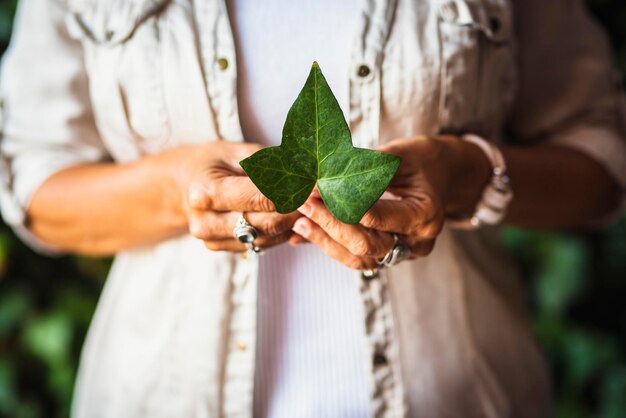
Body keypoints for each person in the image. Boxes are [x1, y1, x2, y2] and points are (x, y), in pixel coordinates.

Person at [1, 0, 625, 416]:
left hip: (458, 395)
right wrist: (174, 189)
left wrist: (463, 173)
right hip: (156, 394)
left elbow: (603, 164)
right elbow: (33, 185)